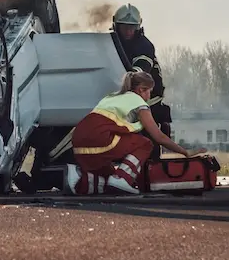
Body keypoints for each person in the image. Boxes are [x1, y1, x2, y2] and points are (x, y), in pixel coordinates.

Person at [62, 71, 207, 195]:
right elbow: (158, 136)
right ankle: (122, 179)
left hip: (79, 142)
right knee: (145, 144)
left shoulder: (112, 97)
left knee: (107, 178)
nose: (149, 96)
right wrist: (184, 152)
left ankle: (78, 178)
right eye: (149, 91)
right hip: (100, 139)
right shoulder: (139, 103)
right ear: (141, 90)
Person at [112, 3, 174, 161]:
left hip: (148, 100)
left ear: (138, 27)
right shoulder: (112, 44)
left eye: (132, 27)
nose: (128, 31)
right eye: (124, 27)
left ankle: (150, 167)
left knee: (147, 141)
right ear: (116, 26)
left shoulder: (144, 45)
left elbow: (141, 69)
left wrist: (132, 76)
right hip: (127, 98)